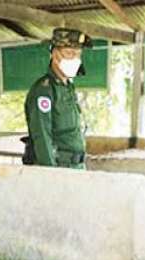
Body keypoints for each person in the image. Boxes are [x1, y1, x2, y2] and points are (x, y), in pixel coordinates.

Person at [22, 28, 91, 169]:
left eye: (78, 54)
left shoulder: (68, 87)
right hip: (60, 168)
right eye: (69, 53)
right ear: (54, 54)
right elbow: (42, 137)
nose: (75, 59)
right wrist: (52, 175)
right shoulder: (44, 90)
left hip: (76, 167)